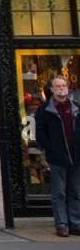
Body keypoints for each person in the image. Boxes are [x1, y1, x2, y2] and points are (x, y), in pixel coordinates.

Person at [35, 75, 80, 236]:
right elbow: (40, 133)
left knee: (75, 191)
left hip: (76, 156)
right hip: (57, 158)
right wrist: (51, 149)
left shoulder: (75, 107)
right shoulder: (45, 110)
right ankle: (61, 223)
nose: (62, 88)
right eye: (58, 86)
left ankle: (75, 222)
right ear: (52, 89)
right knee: (59, 192)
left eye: (63, 85)